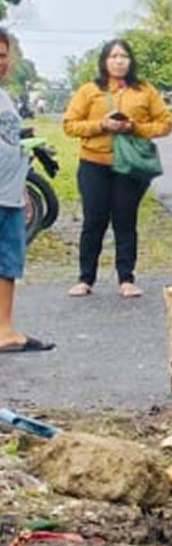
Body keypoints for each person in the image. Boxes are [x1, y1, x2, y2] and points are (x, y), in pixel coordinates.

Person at [62, 38, 172, 299]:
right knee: (94, 221)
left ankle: (126, 279)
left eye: (124, 56)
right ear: (104, 61)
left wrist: (135, 128)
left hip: (130, 167)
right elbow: (69, 125)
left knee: (125, 220)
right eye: (113, 56)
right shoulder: (89, 90)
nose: (119, 61)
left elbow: (165, 124)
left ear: (131, 61)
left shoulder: (145, 90)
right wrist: (100, 125)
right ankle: (85, 278)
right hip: (94, 164)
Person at [0, 27, 52, 355]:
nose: (0, 62)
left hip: (10, 191)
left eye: (3, 55)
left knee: (7, 262)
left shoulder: (4, 95)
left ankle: (4, 328)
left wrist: (26, 146)